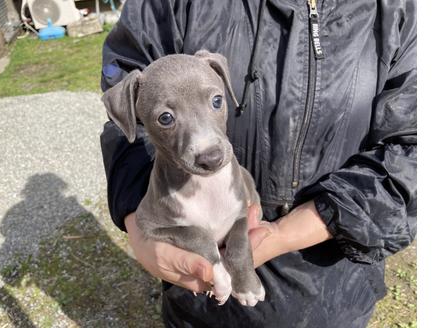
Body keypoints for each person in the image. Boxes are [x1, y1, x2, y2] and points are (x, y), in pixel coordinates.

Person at [99, 0, 417, 327]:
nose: (207, 149)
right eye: (167, 118)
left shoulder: (397, 9)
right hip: (201, 306)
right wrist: (143, 229)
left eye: (217, 101)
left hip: (334, 282)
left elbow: (414, 148)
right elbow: (125, 112)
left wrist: (283, 234)